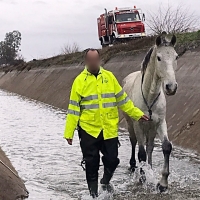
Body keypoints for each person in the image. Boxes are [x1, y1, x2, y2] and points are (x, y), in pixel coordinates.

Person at [64, 48, 149, 198]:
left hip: (109, 128)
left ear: (99, 60)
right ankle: (94, 195)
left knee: (113, 160)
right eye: (90, 60)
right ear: (86, 62)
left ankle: (105, 180)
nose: (93, 63)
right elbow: (73, 109)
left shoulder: (109, 77)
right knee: (91, 164)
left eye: (96, 59)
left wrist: (137, 114)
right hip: (88, 130)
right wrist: (69, 132)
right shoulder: (79, 82)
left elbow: (123, 100)